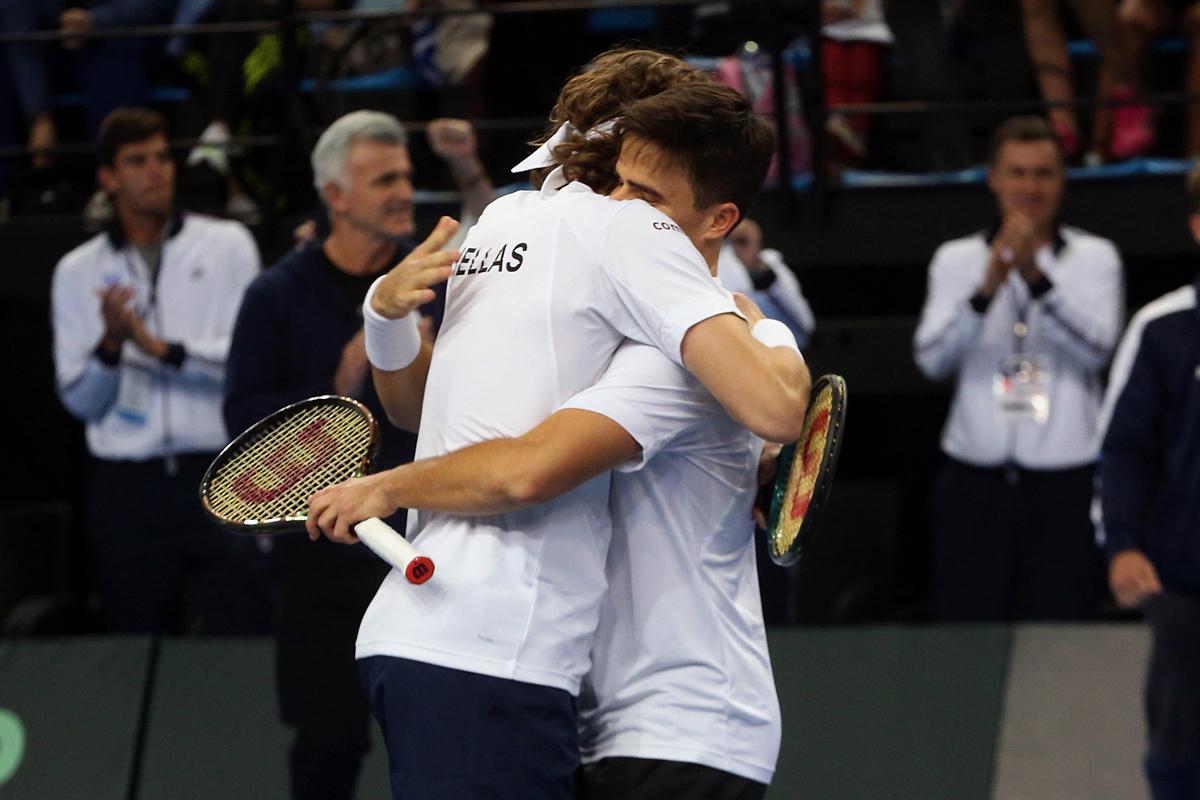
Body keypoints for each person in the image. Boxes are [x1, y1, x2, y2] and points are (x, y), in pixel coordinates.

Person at [312, 62, 808, 797]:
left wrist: (382, 328)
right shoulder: (605, 241)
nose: (631, 205)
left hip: (651, 711)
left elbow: (450, 430)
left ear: (717, 218)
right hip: (512, 661)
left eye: (650, 193)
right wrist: (763, 331)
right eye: (628, 181)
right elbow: (461, 432)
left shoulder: (510, 223)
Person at [223, 110, 454, 800]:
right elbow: (242, 427)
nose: (403, 191)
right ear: (335, 196)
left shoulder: (442, 283)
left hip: (433, 548)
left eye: (407, 175)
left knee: (437, 746)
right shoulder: (274, 296)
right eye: (384, 179)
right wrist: (345, 378)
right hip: (323, 563)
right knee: (328, 744)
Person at [50, 107, 265, 634]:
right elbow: (80, 402)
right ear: (108, 177)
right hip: (129, 487)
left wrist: (165, 349)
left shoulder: (228, 245)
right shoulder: (77, 271)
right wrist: (110, 346)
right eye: (137, 161)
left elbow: (248, 361)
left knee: (240, 639)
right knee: (134, 644)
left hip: (222, 473)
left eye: (163, 157)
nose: (157, 171)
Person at [912, 115, 1123, 621]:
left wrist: (1036, 279)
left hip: (1065, 483)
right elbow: (931, 359)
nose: (1030, 187)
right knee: (966, 625)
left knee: (1062, 628)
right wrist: (985, 290)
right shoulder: (956, 259)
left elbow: (1099, 351)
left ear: (1062, 180)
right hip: (974, 481)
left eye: (1043, 173)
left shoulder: (1095, 258)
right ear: (994, 179)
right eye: (1018, 173)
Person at [1095, 165, 1200, 800]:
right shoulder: (1163, 329)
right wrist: (1123, 544)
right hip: (1186, 585)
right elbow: (1123, 449)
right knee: (1181, 753)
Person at [720, 217, 815, 349]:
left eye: (742, 241)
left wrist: (755, 267)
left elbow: (805, 327)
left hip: (778, 354)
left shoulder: (771, 266)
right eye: (733, 242)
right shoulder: (713, 268)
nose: (737, 247)